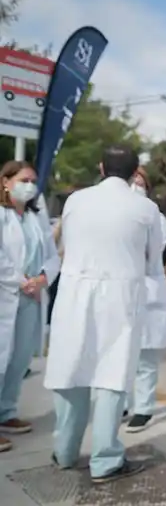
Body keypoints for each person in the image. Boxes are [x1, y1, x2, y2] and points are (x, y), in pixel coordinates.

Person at [43, 145, 165, 483]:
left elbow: (68, 241)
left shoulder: (75, 201)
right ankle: (105, 459)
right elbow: (153, 260)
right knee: (113, 376)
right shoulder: (146, 208)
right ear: (134, 170)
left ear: (100, 167)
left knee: (71, 369)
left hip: (75, 293)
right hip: (121, 297)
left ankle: (65, 452)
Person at [0, 161, 60, 452]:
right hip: (7, 293)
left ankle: (6, 412)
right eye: (24, 179)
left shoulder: (35, 217)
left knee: (20, 359)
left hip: (32, 296)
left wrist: (43, 278)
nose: (30, 185)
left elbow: (52, 255)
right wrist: (22, 281)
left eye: (33, 181)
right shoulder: (1, 214)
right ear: (5, 182)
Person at [123, 167, 166, 433]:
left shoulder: (156, 217)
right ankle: (125, 404)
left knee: (146, 358)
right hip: (123, 293)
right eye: (132, 180)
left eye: (140, 181)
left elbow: (150, 252)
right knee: (122, 353)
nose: (135, 184)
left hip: (149, 291)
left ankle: (143, 408)